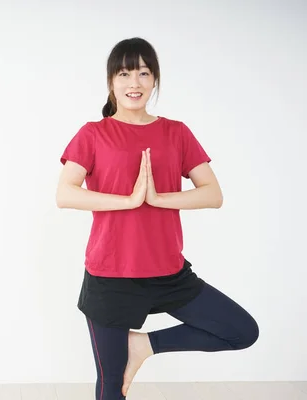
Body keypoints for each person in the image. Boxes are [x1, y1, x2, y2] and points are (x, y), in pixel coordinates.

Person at [56, 37, 259, 400]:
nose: (134, 83)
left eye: (143, 73)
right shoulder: (93, 133)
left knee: (241, 331)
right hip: (110, 276)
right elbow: (65, 193)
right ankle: (130, 355)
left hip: (169, 273)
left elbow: (213, 194)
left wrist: (158, 198)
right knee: (111, 386)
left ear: (154, 80)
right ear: (111, 82)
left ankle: (144, 345)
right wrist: (129, 200)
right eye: (124, 74)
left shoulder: (176, 132)